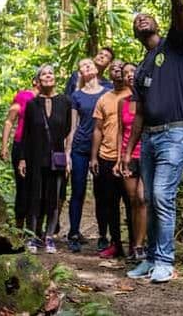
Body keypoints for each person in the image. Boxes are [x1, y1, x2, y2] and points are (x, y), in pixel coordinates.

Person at [125, 0, 183, 284]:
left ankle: (165, 259)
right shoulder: (141, 69)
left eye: (146, 17)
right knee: (150, 199)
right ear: (135, 33)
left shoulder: (175, 46)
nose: (142, 20)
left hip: (177, 133)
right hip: (150, 140)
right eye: (136, 20)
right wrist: (128, 152)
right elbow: (138, 114)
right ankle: (151, 259)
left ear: (155, 25)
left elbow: (178, 6)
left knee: (161, 194)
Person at [18, 64, 72, 254]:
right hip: (35, 157)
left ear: (55, 78)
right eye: (44, 74)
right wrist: (22, 159)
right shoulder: (32, 104)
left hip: (56, 158)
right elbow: (26, 134)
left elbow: (69, 132)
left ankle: (49, 237)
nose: (48, 76)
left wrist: (68, 155)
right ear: (38, 80)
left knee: (54, 197)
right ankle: (32, 236)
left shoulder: (65, 101)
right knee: (35, 197)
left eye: (51, 73)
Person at [91, 61, 133, 258]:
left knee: (132, 201)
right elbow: (98, 129)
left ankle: (135, 243)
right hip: (107, 156)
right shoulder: (104, 99)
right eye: (113, 68)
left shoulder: (133, 96)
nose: (116, 70)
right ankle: (116, 243)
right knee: (110, 203)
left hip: (129, 155)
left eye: (120, 68)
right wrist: (94, 156)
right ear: (109, 73)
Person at [66, 58, 108, 252]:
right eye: (82, 66)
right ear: (80, 73)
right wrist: (67, 153)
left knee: (102, 194)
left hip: (102, 149)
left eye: (89, 63)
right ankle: (73, 233)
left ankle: (103, 236)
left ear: (96, 68)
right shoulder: (77, 96)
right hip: (80, 147)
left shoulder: (107, 92)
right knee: (78, 191)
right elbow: (73, 126)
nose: (87, 66)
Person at [115, 63, 147, 260]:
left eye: (132, 72)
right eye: (125, 73)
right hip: (129, 155)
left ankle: (141, 245)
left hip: (147, 154)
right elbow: (120, 131)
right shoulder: (123, 102)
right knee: (133, 200)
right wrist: (120, 158)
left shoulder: (149, 99)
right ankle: (135, 245)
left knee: (143, 198)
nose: (129, 75)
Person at [0, 77, 39, 229]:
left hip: (40, 148)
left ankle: (34, 228)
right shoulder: (23, 96)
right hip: (21, 145)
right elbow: (10, 120)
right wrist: (4, 146)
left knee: (38, 187)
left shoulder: (49, 100)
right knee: (22, 187)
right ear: (35, 80)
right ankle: (19, 227)